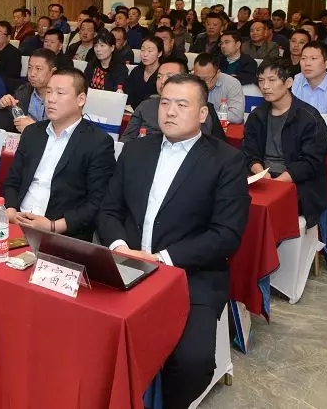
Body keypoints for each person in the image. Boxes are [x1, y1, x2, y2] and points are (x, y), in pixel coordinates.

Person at [98, 73, 249, 409]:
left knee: (193, 362)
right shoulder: (136, 150)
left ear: (203, 113)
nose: (170, 111)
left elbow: (226, 235)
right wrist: (120, 248)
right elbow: (108, 210)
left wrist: (163, 258)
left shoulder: (226, 161)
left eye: (182, 104)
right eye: (165, 102)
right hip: (126, 263)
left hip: (190, 274)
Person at [3, 68, 115, 242]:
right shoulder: (32, 133)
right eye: (48, 92)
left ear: (81, 99)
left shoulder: (98, 143)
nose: (51, 99)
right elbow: (12, 180)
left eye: (60, 93)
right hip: (17, 223)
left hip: (60, 234)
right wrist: (10, 210)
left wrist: (53, 226)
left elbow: (96, 203)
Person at [242, 59, 327, 227]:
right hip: (263, 177)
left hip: (297, 183)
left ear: (289, 82)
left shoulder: (308, 117)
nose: (265, 86)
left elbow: (310, 161)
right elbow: (249, 151)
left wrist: (277, 183)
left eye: (272, 80)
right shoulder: (257, 115)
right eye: (261, 80)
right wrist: (259, 171)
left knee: (267, 208)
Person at [120, 61, 227, 143]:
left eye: (170, 77)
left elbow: (215, 146)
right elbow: (127, 139)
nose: (162, 81)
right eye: (159, 76)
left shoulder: (201, 108)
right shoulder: (146, 105)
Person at [292, 42, 327, 139]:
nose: (307, 63)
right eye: (303, 58)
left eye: (313, 58)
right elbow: (290, 116)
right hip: (298, 138)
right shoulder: (298, 80)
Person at [0, 49, 55, 133]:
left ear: (52, 71)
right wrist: (1, 107)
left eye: (38, 69)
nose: (32, 74)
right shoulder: (22, 92)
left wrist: (34, 129)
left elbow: (63, 134)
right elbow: (6, 127)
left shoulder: (62, 99)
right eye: (29, 68)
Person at [193, 52, 244, 123]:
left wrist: (204, 114)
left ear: (217, 73)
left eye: (207, 79)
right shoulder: (190, 82)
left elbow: (236, 116)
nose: (202, 83)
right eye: (198, 78)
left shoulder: (232, 84)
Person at [124, 35, 163, 109]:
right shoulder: (136, 71)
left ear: (159, 53)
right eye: (142, 50)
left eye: (150, 51)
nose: (145, 54)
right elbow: (127, 94)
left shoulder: (163, 74)